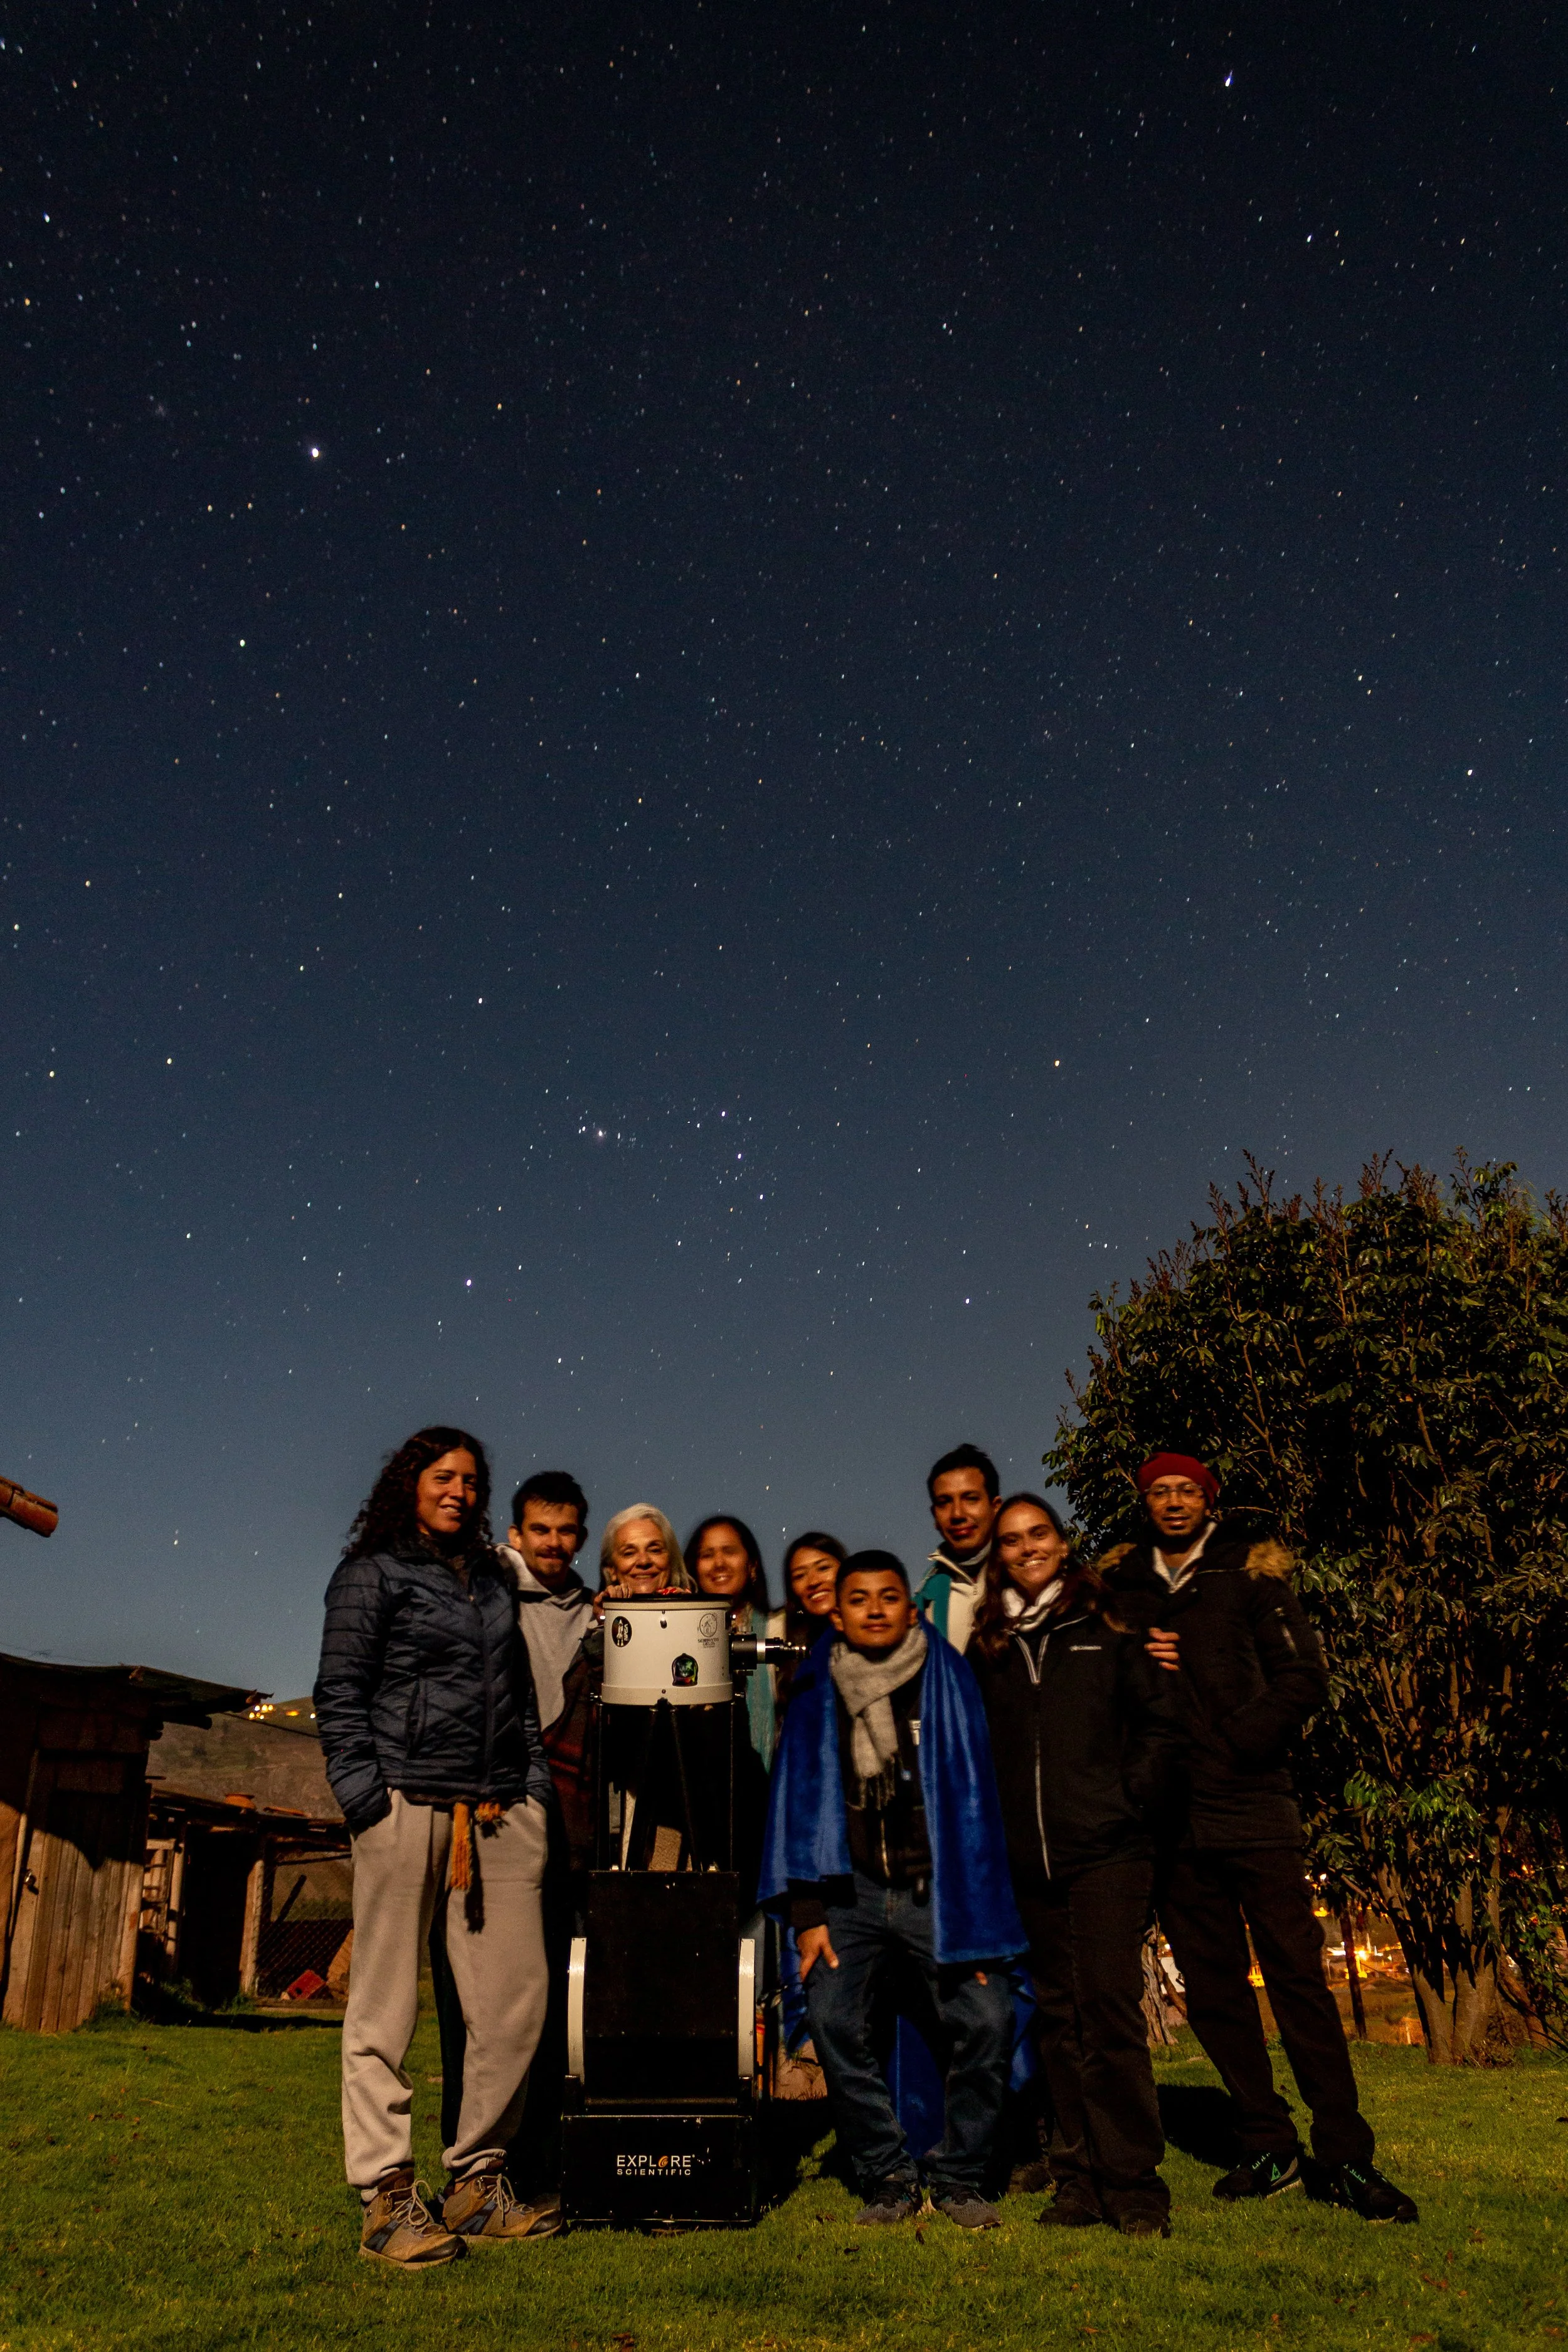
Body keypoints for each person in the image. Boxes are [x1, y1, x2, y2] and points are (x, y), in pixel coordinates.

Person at [1100, 1451, 1419, 2225]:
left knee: (1297, 1983)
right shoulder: (1120, 1585)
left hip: (1253, 1806)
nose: (1172, 1502)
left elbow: (1302, 1678)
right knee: (1213, 1992)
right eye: (1158, 1492)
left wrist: (1234, 1740)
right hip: (1172, 1818)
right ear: (1145, 1503)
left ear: (1209, 1500)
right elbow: (1107, 1683)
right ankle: (1265, 2141)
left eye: (1186, 1491)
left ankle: (1343, 2155)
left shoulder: (1249, 1572)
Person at [314, 1426, 557, 2265]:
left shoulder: (493, 1579)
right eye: (442, 1475)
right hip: (405, 1799)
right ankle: (386, 2196)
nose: (458, 1489)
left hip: (495, 1810)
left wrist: (531, 1786)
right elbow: (340, 1691)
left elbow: (519, 1692)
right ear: (408, 1482)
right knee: (385, 2004)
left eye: (471, 1478)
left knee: (516, 1999)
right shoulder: (372, 1571)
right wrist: (364, 1799)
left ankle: (477, 2180)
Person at [759, 1549, 1024, 2228]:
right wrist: (808, 1913)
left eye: (887, 1597)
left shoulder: (948, 1679)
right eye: (859, 1599)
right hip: (846, 1897)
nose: (874, 1610)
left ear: (912, 1609)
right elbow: (798, 1800)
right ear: (838, 1613)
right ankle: (886, 2175)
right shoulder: (818, 1685)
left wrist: (981, 1918)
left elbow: (977, 1801)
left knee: (988, 2021)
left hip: (938, 1894)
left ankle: (960, 2176)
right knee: (833, 2020)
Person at [968, 1493, 1183, 2237]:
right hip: (1029, 1862)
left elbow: (1157, 1724)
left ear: (1062, 1543)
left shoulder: (1110, 1621)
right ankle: (1079, 2180)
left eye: (1039, 1535)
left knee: (1110, 2015)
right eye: (1012, 1541)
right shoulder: (988, 1646)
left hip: (1108, 1853)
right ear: (997, 1556)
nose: (1027, 1549)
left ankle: (1133, 2184)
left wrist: (1130, 1804)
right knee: (1058, 2022)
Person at [687, 1513, 784, 1767]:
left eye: (729, 1552)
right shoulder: (680, 1638)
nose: (719, 1563)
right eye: (707, 1555)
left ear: (752, 1566)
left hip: (766, 1787)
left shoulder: (779, 1630)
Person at [916, 1444, 1002, 1652]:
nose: (957, 1514)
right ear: (934, 1516)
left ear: (996, 1507)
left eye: (970, 1499)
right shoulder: (924, 1601)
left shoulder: (1031, 1575)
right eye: (944, 1502)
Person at [777, 1530, 847, 1711]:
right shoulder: (790, 1652)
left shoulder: (873, 1632)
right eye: (800, 1576)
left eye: (824, 1568)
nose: (813, 1582)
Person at [598, 1503, 691, 1596]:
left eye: (655, 1550)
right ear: (611, 1569)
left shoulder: (699, 1609)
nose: (644, 1562)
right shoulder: (591, 1610)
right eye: (629, 1553)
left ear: (671, 1560)